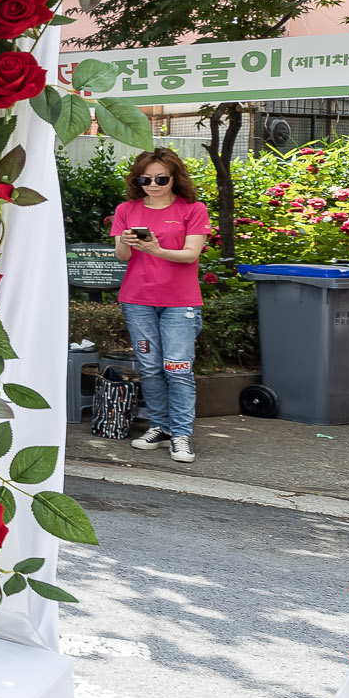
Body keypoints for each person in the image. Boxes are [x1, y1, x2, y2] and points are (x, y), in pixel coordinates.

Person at [113, 149, 210, 464]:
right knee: (150, 367)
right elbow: (122, 258)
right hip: (137, 299)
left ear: (174, 178)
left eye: (160, 179)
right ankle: (159, 426)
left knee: (178, 368)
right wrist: (127, 242)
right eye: (145, 179)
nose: (152, 184)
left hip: (180, 301)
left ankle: (181, 434)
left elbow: (190, 254)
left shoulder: (192, 209)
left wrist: (157, 249)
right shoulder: (126, 209)